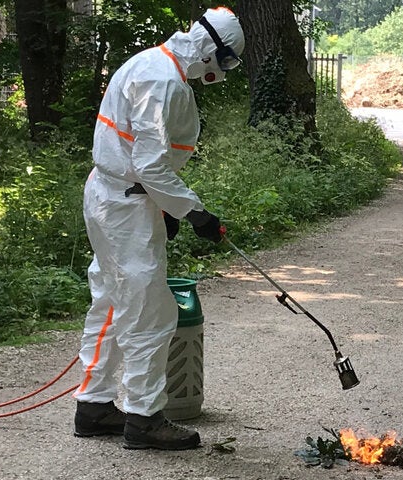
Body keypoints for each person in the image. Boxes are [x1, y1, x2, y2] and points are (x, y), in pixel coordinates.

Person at [71, 7, 244, 451]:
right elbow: (149, 164)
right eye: (224, 61)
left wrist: (166, 208)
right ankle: (145, 419)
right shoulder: (162, 81)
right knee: (151, 310)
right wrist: (193, 212)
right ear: (208, 49)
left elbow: (140, 155)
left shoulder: (150, 63)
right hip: (126, 204)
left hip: (116, 195)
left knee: (111, 299)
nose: (221, 72)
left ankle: (94, 406)